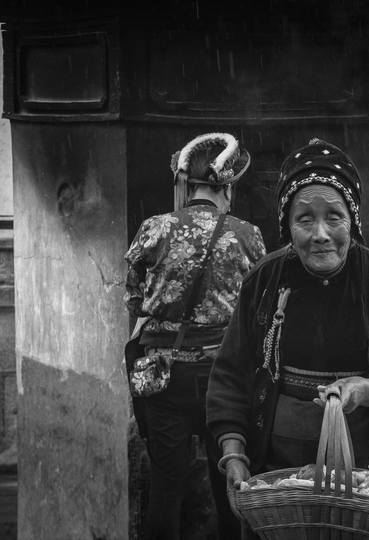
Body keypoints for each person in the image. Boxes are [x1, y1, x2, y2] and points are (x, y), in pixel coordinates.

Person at [206, 138, 369, 540]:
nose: (320, 234)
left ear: (353, 220)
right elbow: (229, 377)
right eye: (304, 219)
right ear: (287, 225)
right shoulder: (264, 281)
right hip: (280, 483)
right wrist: (234, 455)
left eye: (334, 217)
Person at [124, 132, 267, 540]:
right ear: (228, 187)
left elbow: (133, 299)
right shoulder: (247, 235)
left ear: (187, 185)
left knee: (166, 490)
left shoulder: (154, 228)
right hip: (224, 379)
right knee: (231, 485)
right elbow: (259, 310)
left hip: (162, 375)